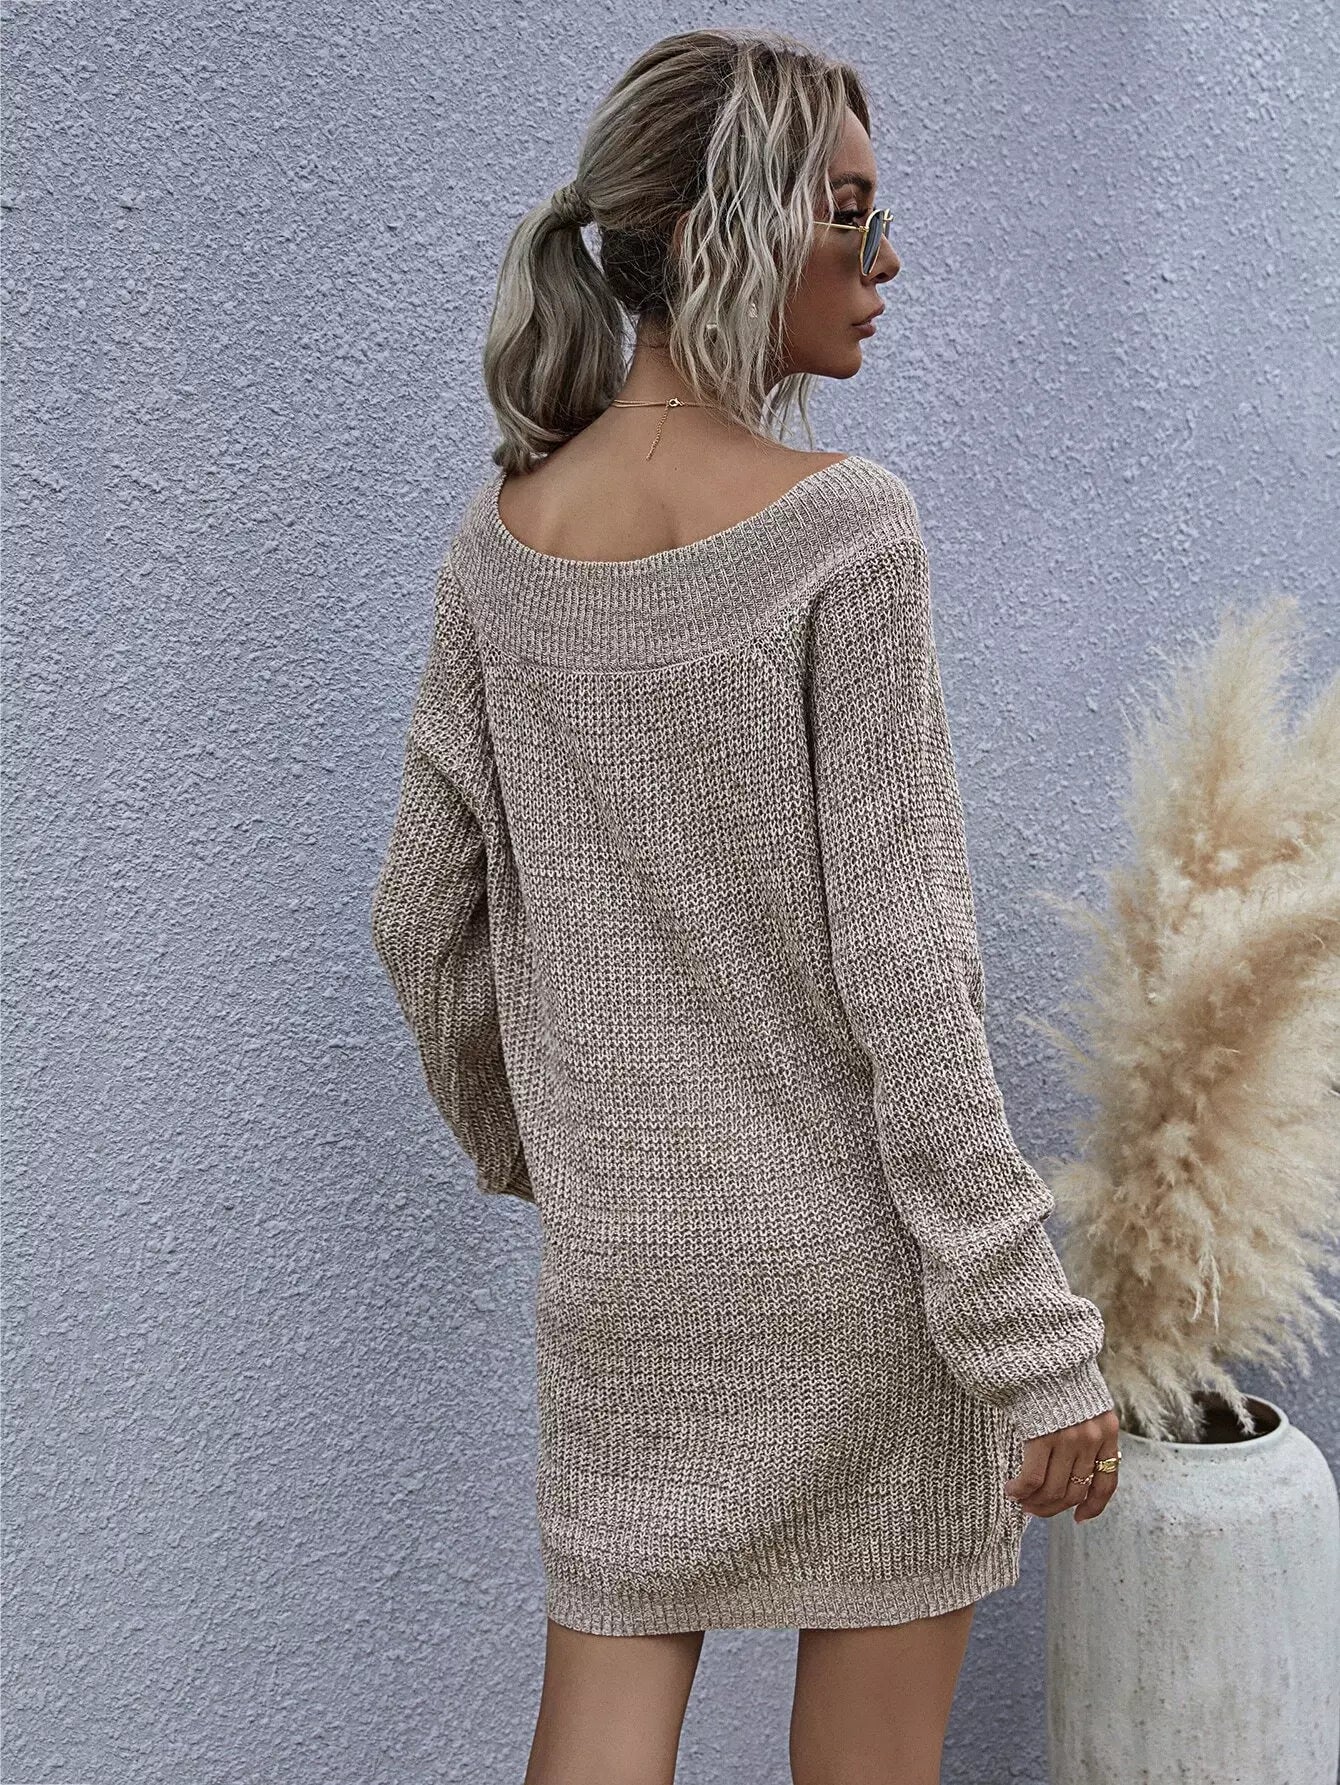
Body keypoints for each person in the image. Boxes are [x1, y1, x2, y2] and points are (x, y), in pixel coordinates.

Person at [370, 25, 1121, 1785]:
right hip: (867, 1278)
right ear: (726, 232)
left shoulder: (501, 548)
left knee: (597, 1740)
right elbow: (909, 974)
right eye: (851, 214)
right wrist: (1034, 1341)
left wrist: (550, 1149)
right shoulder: (849, 532)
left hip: (628, 1277)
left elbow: (418, 918)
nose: (888, 260)